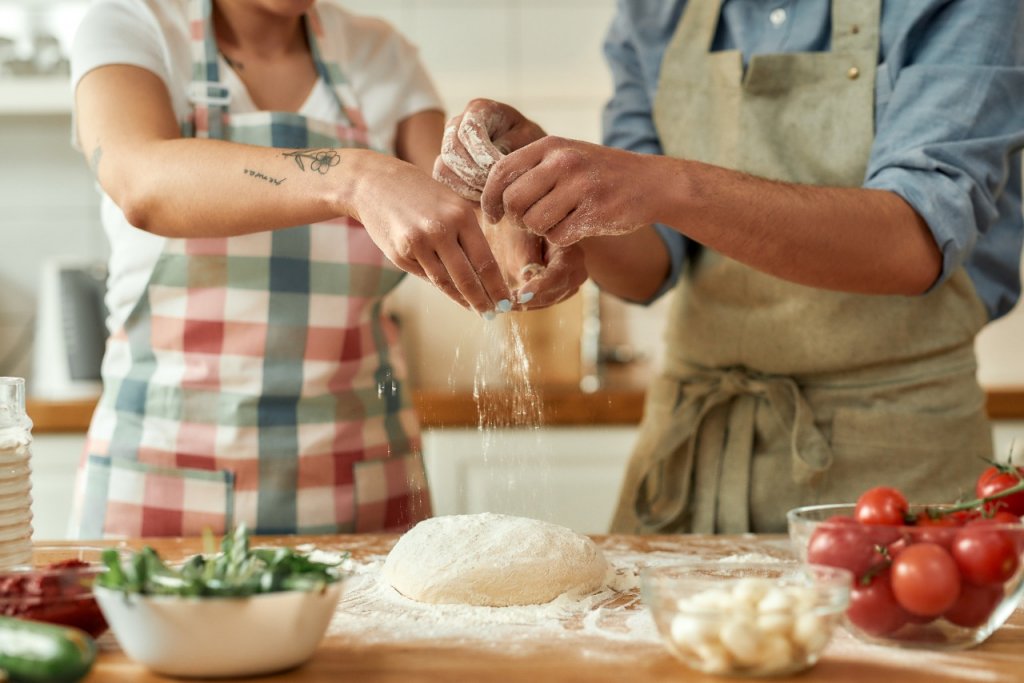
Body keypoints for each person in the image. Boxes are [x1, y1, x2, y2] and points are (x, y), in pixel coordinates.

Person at [436, 0, 1024, 534]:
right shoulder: (656, 12)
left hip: (895, 455)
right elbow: (649, 267)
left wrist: (664, 182)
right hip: (694, 451)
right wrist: (554, 192)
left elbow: (910, 244)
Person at [67, 0, 582, 538]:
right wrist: (353, 177)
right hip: (159, 475)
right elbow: (141, 184)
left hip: (360, 475)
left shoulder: (379, 53)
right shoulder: (132, 25)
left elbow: (462, 211)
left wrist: (522, 229)